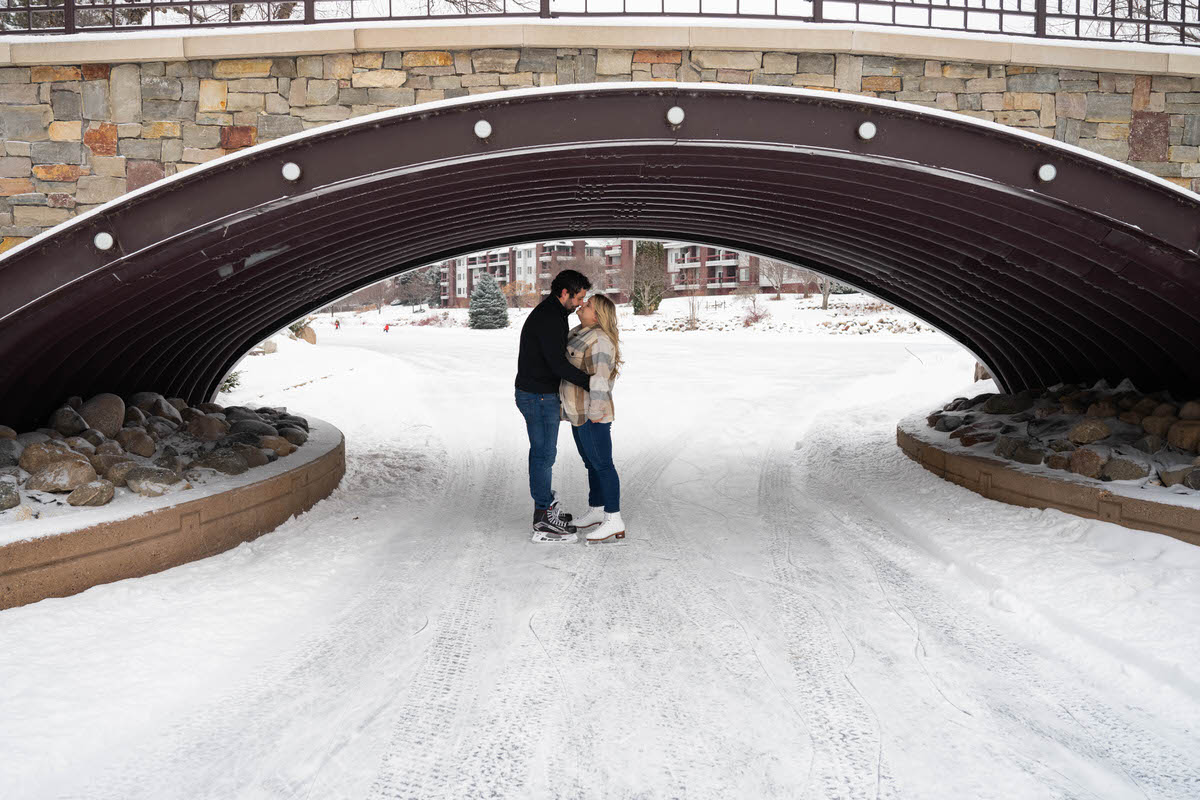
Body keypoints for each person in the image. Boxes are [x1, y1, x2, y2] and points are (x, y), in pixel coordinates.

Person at [515, 269, 593, 543]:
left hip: (538, 394)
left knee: (543, 453)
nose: (581, 303)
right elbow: (557, 364)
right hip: (537, 397)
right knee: (543, 455)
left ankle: (545, 505)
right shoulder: (550, 318)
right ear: (564, 293)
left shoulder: (555, 314)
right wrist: (589, 381)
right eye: (579, 297)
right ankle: (542, 517)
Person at [560, 293, 624, 544]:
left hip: (592, 413)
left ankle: (613, 518)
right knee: (591, 464)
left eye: (587, 306)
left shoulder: (599, 340)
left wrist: (596, 413)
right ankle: (597, 509)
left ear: (597, 315)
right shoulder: (581, 333)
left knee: (603, 465)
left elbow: (600, 379)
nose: (581, 306)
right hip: (578, 412)